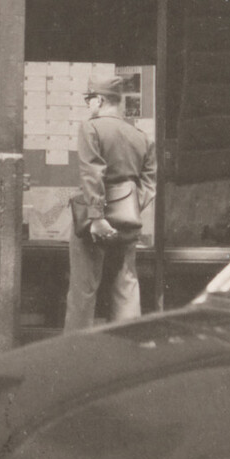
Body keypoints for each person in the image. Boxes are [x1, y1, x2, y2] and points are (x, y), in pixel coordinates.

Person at [64, 74, 157, 334]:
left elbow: (92, 172)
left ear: (100, 100)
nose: (88, 105)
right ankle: (127, 352)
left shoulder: (90, 128)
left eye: (89, 99)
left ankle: (74, 354)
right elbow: (150, 183)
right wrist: (128, 209)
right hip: (127, 220)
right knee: (126, 286)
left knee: (84, 289)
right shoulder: (140, 136)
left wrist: (97, 216)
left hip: (94, 223)